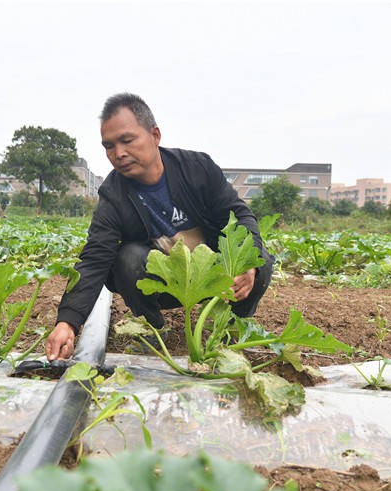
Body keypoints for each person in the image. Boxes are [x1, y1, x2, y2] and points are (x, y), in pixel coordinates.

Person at [45, 93, 274, 360]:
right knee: (127, 258)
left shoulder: (197, 168)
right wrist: (68, 322)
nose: (118, 153)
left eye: (127, 140)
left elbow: (240, 215)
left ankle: (228, 328)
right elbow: (95, 258)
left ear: (155, 135)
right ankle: (153, 331)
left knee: (261, 260)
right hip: (166, 285)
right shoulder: (113, 194)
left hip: (216, 280)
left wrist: (250, 265)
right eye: (109, 146)